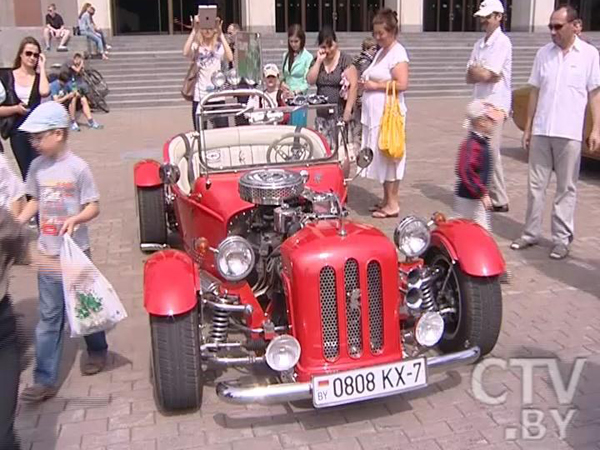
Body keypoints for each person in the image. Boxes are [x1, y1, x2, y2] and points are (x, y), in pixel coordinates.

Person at [16, 101, 108, 403]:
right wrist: (17, 222)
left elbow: (93, 206)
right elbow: (34, 201)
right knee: (49, 316)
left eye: (38, 137)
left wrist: (76, 219)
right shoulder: (36, 168)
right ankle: (44, 379)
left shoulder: (79, 168)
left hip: (76, 253)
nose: (34, 143)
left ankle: (97, 349)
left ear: (58, 134)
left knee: (86, 307)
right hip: (47, 254)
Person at [511, 5, 600, 260]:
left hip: (569, 133)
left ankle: (561, 239)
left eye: (557, 26)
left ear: (576, 26)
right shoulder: (543, 54)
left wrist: (596, 129)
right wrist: (528, 128)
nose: (552, 32)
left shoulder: (589, 55)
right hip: (542, 130)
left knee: (566, 188)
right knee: (535, 186)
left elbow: (595, 94)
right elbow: (535, 92)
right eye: (550, 26)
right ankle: (531, 233)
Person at [360, 9, 409, 219]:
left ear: (392, 31)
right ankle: (386, 199)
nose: (378, 37)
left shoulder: (398, 53)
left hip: (388, 115)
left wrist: (375, 85)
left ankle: (393, 203)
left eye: (381, 33)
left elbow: (402, 83)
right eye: (376, 33)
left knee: (390, 155)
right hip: (375, 114)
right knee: (380, 156)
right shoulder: (381, 51)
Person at [466, 0, 512, 213]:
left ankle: (498, 197)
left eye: (488, 16)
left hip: (496, 103)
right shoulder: (478, 44)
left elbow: (487, 73)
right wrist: (482, 73)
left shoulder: (502, 43)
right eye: (482, 17)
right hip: (479, 102)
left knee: (490, 150)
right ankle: (487, 192)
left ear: (498, 17)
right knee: (479, 148)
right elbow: (471, 75)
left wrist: (481, 72)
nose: (484, 21)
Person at [0, 37, 51, 180]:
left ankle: (39, 201)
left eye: (36, 55)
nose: (32, 58)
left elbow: (44, 92)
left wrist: (43, 66)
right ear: (21, 54)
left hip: (37, 133)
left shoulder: (39, 77)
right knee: (27, 174)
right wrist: (15, 109)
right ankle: (32, 201)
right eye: (28, 53)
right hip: (17, 132)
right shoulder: (7, 76)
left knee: (41, 172)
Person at [306, 26, 357, 153]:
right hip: (322, 117)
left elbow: (354, 85)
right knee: (324, 152)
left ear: (336, 43)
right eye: (324, 47)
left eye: (330, 46)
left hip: (339, 115)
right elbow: (310, 80)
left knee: (341, 152)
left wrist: (348, 110)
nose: (328, 50)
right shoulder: (318, 61)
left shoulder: (344, 59)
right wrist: (318, 62)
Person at [183, 14, 233, 131]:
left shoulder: (219, 47)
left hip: (217, 96)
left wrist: (221, 35)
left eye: (211, 28)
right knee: (200, 133)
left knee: (222, 132)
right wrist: (194, 30)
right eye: (205, 28)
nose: (208, 31)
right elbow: (185, 52)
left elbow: (230, 57)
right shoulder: (197, 46)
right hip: (200, 96)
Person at [453, 100, 497, 231]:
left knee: (470, 226)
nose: (494, 123)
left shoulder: (479, 143)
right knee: (475, 227)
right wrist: (481, 193)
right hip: (469, 196)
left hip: (473, 195)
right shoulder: (473, 145)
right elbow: (465, 171)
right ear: (481, 122)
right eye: (491, 120)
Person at [281, 24, 313, 127]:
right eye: (291, 41)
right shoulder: (285, 55)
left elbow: (307, 82)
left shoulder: (307, 57)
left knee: (298, 127)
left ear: (302, 41)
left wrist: (295, 92)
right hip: (286, 97)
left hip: (299, 98)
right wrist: (282, 84)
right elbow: (283, 76)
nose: (293, 44)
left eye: (296, 42)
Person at [351, 36, 377, 152]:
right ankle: (358, 145)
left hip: (360, 96)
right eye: (373, 49)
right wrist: (359, 96)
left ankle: (358, 143)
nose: (375, 51)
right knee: (361, 122)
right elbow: (363, 79)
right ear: (366, 49)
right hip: (362, 96)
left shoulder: (359, 61)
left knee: (360, 121)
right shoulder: (365, 62)